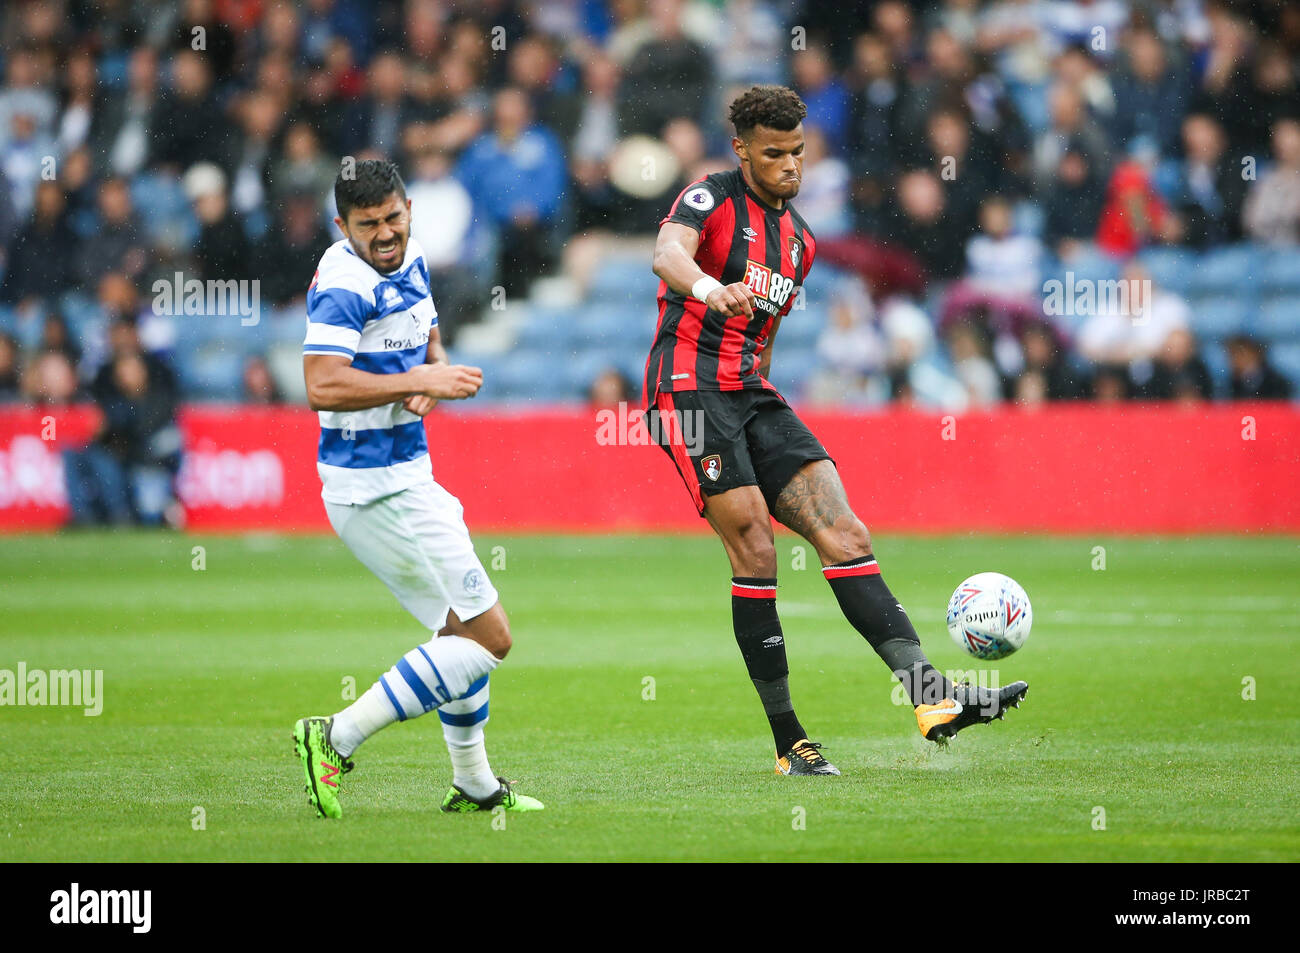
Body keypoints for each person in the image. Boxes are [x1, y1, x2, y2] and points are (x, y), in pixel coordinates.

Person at [642, 86, 1027, 777]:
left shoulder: (801, 242)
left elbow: (767, 337)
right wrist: (707, 288)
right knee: (756, 545)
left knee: (846, 533)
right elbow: (668, 255)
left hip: (749, 390)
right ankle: (791, 741)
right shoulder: (710, 197)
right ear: (742, 150)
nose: (789, 165)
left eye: (797, 151)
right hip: (687, 387)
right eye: (773, 153)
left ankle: (931, 697)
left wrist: (761, 393)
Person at [293, 159, 542, 818]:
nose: (384, 234)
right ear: (342, 225)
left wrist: (432, 364)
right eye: (367, 225)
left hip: (404, 474)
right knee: (490, 639)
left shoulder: (414, 255)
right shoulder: (345, 282)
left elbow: (426, 332)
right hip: (375, 489)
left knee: (457, 633)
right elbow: (321, 383)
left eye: (393, 218)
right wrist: (420, 384)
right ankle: (335, 736)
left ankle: (476, 785)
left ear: (408, 208)